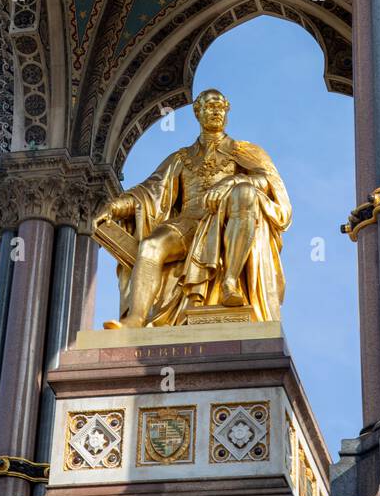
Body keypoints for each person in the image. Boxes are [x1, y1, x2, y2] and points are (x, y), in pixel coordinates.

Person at [94, 89, 291, 328]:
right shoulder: (181, 157)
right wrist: (114, 207)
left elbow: (269, 184)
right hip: (187, 224)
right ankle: (136, 318)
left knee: (246, 193)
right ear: (198, 113)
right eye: (209, 106)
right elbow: (149, 192)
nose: (216, 111)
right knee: (151, 246)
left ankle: (229, 282)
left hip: (225, 221)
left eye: (220, 107)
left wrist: (235, 180)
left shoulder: (245, 152)